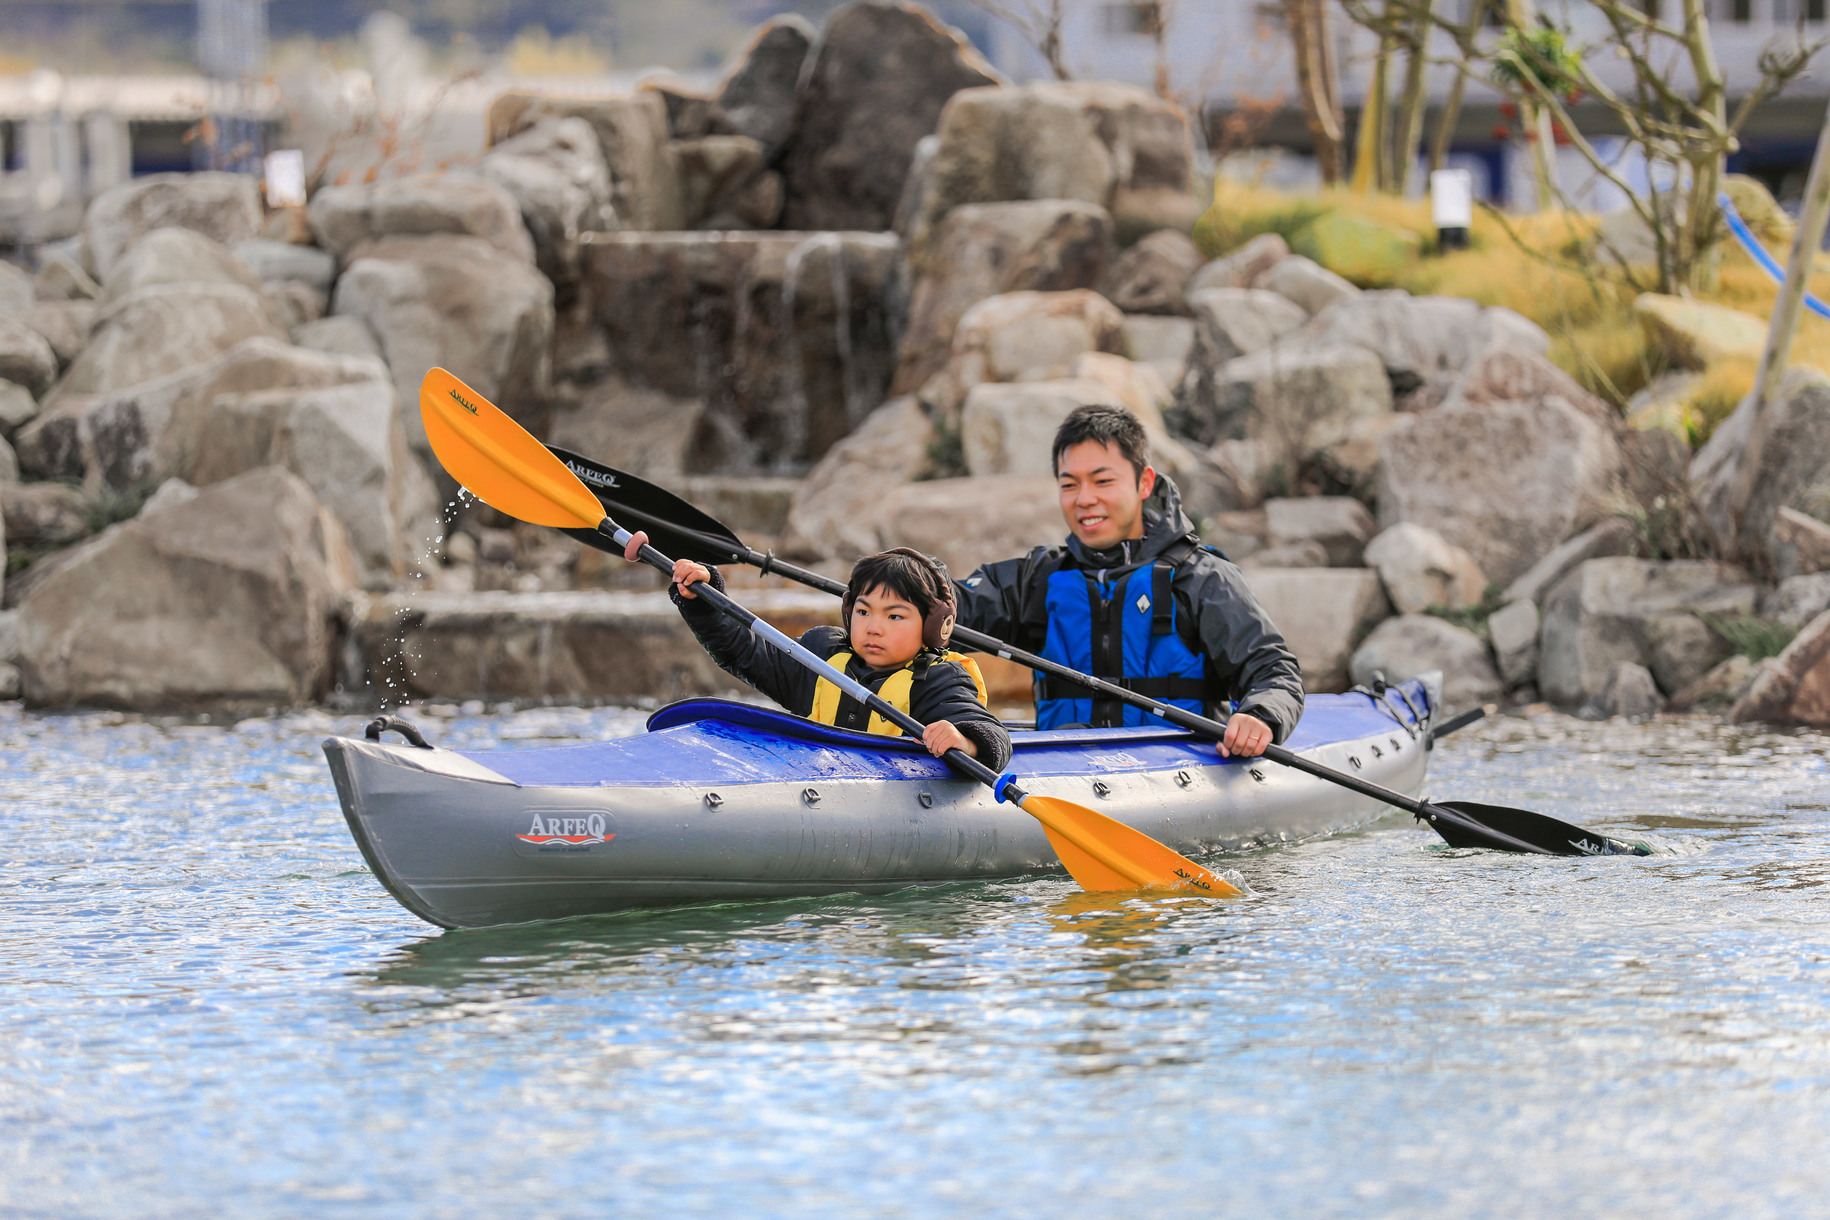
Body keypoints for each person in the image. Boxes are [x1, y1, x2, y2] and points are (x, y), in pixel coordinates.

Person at [952, 404, 1304, 758]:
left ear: (1144, 483)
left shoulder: (1202, 578)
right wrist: (908, 584)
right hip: (1064, 775)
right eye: (1069, 485)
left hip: (1181, 776)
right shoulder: (1039, 579)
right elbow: (951, 606)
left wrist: (1260, 716)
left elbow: (1273, 670)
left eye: (1103, 481)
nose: (1084, 499)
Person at [623, 537, 1012, 771]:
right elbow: (744, 651)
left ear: (932, 627)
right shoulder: (822, 654)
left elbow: (995, 737)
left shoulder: (940, 679)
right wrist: (705, 600)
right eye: (863, 611)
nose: (873, 627)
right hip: (813, 785)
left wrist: (965, 740)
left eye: (895, 616)